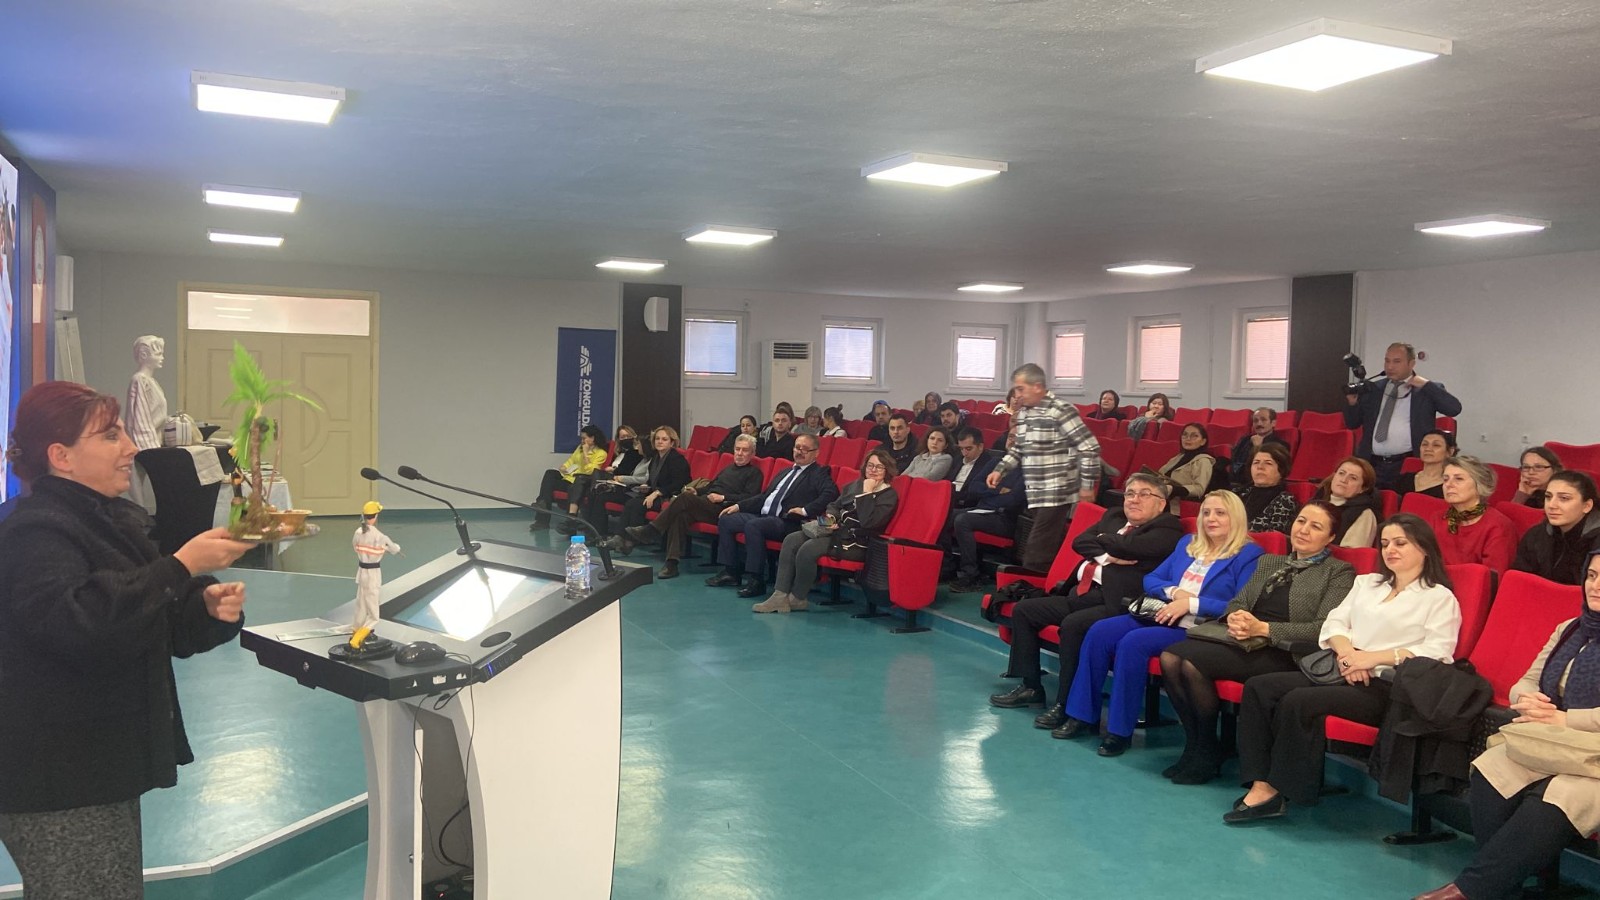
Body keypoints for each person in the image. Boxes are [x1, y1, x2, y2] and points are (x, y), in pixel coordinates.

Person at [0, 381, 254, 899]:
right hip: (57, 773)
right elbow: (81, 625)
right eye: (110, 436)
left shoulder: (111, 519)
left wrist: (204, 608)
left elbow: (143, 620)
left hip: (94, 765)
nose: (131, 448)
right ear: (61, 456)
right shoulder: (36, 533)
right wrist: (181, 565)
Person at [1226, 513, 1461, 824]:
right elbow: (1335, 622)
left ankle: (1281, 790)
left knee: (1298, 701)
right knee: (1260, 686)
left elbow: (1438, 652)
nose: (1390, 550)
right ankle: (1260, 783)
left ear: (1425, 548)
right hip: (1342, 667)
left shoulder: (1439, 597)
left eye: (1400, 543)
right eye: (1385, 544)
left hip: (1385, 687)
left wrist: (1372, 658)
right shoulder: (1368, 583)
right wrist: (1349, 654)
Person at [1417, 550, 1600, 900]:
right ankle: (1503, 888)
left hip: (1592, 755)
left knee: (1555, 799)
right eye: (1591, 576)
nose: (1596, 585)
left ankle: (1470, 890)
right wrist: (1530, 699)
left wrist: (1565, 718)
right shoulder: (1570, 629)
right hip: (1555, 739)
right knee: (1492, 773)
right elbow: (1526, 681)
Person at [1160, 501, 1358, 784]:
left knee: (1191, 665)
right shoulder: (1271, 562)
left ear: (1331, 537)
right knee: (1171, 656)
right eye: (1301, 521)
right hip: (1245, 640)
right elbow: (1238, 601)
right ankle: (1197, 745)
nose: (1303, 530)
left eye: (1316, 526)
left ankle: (1205, 751)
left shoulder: (1338, 572)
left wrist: (1264, 628)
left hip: (1285, 651)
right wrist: (1237, 617)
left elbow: (1322, 628)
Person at [1055, 491, 1265, 756]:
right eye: (1206, 512)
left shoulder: (1249, 555)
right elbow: (1151, 579)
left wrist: (1191, 604)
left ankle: (1119, 731)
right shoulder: (1188, 543)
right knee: (1099, 631)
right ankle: (1082, 716)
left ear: (1236, 517)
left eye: (1220, 513)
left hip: (1197, 628)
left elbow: (1240, 605)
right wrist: (1174, 593)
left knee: (1133, 642)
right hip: (1161, 614)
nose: (1211, 518)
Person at [988, 473, 1182, 712]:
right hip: (1082, 593)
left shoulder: (1168, 527)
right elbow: (1080, 541)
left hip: (1117, 603)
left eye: (1144, 494)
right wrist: (1107, 555)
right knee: (1025, 610)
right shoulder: (1114, 516)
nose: (1134, 499)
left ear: (1161, 503)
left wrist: (1102, 539)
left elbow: (1132, 546)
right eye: (1130, 494)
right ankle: (1031, 687)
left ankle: (1065, 703)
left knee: (1073, 625)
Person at [987, 363, 1103, 572]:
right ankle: (1045, 580)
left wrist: (1087, 486)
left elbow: (1088, 448)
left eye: (1021, 389)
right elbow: (1019, 448)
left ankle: (1031, 585)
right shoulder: (1025, 414)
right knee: (1042, 542)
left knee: (1037, 550)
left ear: (1037, 387)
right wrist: (1000, 469)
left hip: (1058, 488)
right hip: (1035, 488)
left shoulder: (1061, 410)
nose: (1017, 395)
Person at [753, 450, 900, 613]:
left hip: (857, 542)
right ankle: (779, 596)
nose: (873, 470)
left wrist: (867, 493)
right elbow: (834, 505)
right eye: (870, 465)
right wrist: (830, 518)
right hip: (835, 529)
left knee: (808, 548)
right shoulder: (854, 485)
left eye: (879, 467)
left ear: (887, 471)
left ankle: (798, 598)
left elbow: (869, 523)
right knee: (791, 539)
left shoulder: (889, 495)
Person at [706, 434, 838, 598]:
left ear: (816, 453)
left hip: (786, 521)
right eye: (797, 447)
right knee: (726, 519)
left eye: (805, 449)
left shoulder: (818, 473)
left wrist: (805, 510)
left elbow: (831, 493)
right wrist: (739, 506)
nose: (799, 452)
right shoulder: (785, 472)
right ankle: (731, 572)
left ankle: (756, 580)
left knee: (754, 526)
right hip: (764, 516)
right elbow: (764, 497)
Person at [616, 433, 764, 578]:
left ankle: (652, 530)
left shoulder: (754, 473)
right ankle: (671, 563)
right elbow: (711, 486)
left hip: (724, 509)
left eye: (745, 450)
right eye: (737, 449)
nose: (740, 453)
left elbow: (749, 498)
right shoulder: (728, 468)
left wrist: (723, 497)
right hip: (706, 503)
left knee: (685, 498)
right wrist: (697, 491)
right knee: (680, 515)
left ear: (752, 453)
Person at [1345, 342, 1465, 488]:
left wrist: (1426, 385)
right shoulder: (1375, 388)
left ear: (1411, 363)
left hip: (1407, 463)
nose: (1390, 367)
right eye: (1387, 361)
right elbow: (1352, 423)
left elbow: (1454, 409)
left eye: (1397, 361)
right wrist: (1353, 404)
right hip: (1372, 462)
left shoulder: (1426, 390)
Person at [946, 427, 1025, 593]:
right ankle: (947, 565)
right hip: (982, 510)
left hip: (1005, 518)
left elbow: (1013, 500)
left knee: (963, 520)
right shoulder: (996, 462)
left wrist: (988, 492)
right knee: (946, 515)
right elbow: (974, 487)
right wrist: (998, 490)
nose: (1013, 441)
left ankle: (970, 576)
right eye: (1011, 437)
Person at [1423, 455, 1519, 572]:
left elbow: (1492, 578)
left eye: (1458, 479)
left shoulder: (1498, 526)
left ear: (1479, 485)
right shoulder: (1437, 518)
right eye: (1445, 479)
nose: (1448, 484)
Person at [1511, 471, 1600, 585]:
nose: (1551, 505)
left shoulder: (1597, 541)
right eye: (1548, 497)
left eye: (1564, 498)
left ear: (1587, 506)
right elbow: (1519, 582)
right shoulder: (1536, 535)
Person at [614, 427, 691, 537]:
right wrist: (647, 486)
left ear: (672, 443)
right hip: (655, 494)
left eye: (664, 439)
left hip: (670, 496)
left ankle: (632, 539)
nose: (660, 441)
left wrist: (657, 493)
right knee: (631, 502)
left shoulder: (677, 459)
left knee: (636, 505)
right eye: (657, 439)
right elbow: (653, 480)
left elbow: (679, 483)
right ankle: (620, 537)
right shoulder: (656, 458)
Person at [532, 424, 609, 531]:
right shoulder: (579, 448)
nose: (582, 441)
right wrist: (564, 467)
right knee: (550, 473)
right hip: (569, 478)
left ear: (592, 438)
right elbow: (571, 461)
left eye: (584, 438)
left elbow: (591, 471)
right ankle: (542, 508)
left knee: (573, 488)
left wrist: (586, 454)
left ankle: (569, 523)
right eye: (581, 438)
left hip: (582, 483)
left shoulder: (601, 453)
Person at [350, 500, 401, 648]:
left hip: (361, 572)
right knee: (373, 613)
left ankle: (355, 630)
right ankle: (357, 639)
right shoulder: (380, 536)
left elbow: (355, 546)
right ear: (376, 516)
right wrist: (390, 548)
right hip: (373, 574)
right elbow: (394, 549)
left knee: (361, 605)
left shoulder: (358, 532)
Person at [1313, 456, 1380, 548]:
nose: (1343, 480)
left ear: (1363, 488)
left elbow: (1351, 553)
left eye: (1353, 478)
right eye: (1341, 473)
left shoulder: (1365, 514)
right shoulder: (1315, 502)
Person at [1234, 444, 1298, 535]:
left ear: (1281, 470)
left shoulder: (1285, 500)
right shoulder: (1238, 493)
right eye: (1256, 462)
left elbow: (1273, 538)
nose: (1260, 467)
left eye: (1268, 463)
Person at [1157, 423, 1217, 513]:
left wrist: (1173, 489)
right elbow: (1160, 474)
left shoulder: (1203, 461)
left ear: (1203, 441)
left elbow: (1199, 489)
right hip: (1161, 502)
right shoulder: (1178, 457)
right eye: (1185, 435)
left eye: (1194, 436)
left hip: (1178, 508)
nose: (1188, 438)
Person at [125, 334, 169, 451]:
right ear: (144, 355)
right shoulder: (140, 380)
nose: (162, 358)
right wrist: (150, 451)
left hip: (155, 443)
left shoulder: (152, 382)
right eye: (158, 354)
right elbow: (140, 421)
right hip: (145, 447)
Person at [1228, 408, 1290, 487]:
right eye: (1255, 421)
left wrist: (1258, 447)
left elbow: (1274, 470)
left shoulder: (1281, 444)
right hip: (1235, 482)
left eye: (1263, 420)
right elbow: (1234, 461)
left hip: (1261, 485)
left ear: (1273, 423)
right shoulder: (1244, 440)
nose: (1259, 423)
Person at [1395, 429, 1456, 498]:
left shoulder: (1451, 486)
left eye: (1436, 445)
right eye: (1425, 444)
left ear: (1450, 452)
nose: (1428, 449)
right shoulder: (1404, 479)